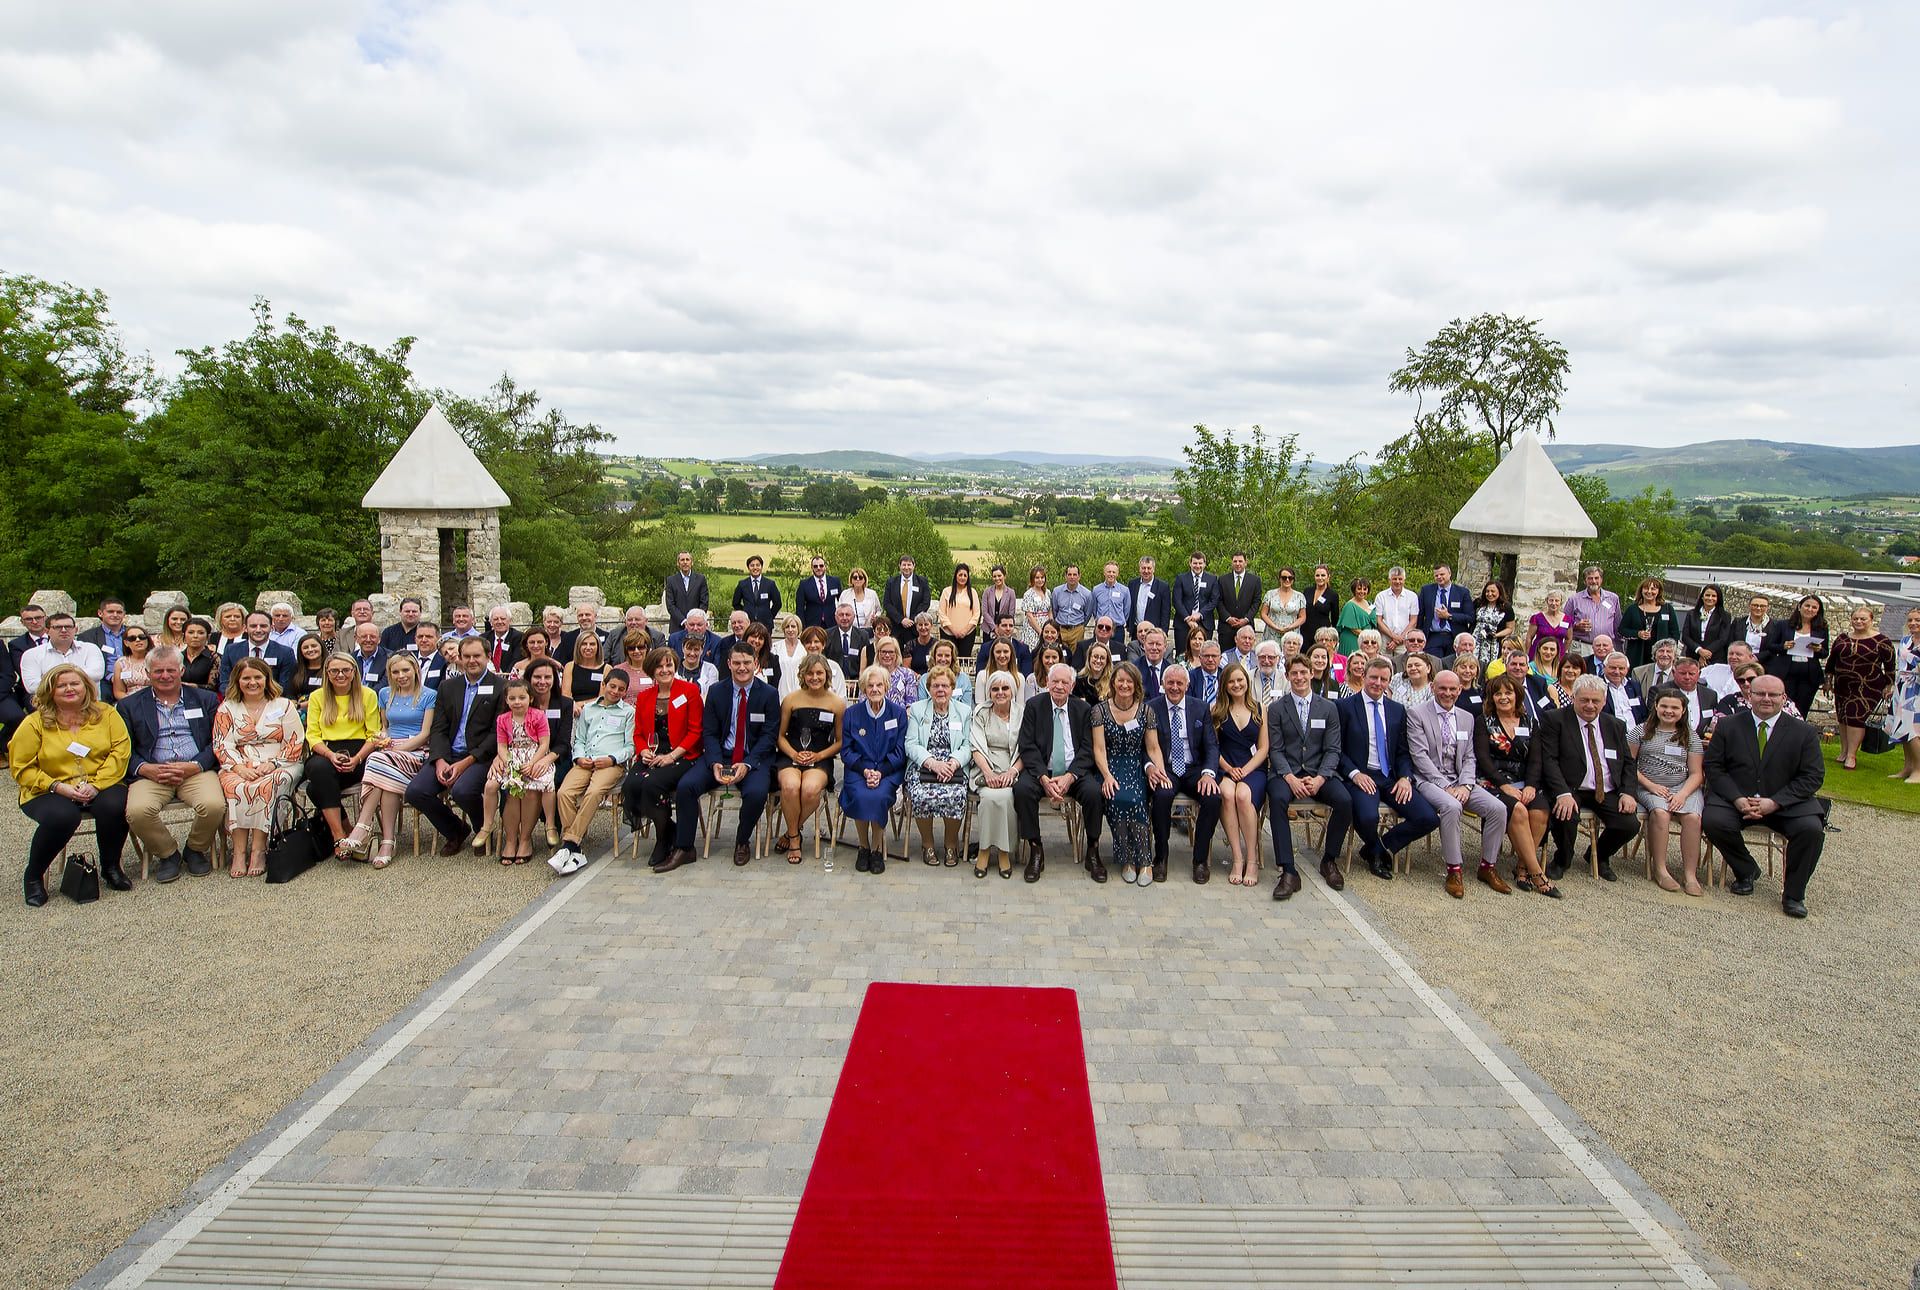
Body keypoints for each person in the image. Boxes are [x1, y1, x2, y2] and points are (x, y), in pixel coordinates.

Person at [1703, 673, 1826, 918]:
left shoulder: (1804, 732)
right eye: (1760, 693)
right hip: (1737, 799)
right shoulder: (1728, 726)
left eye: (1773, 695)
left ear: (1784, 698)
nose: (1766, 699)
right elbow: (1714, 767)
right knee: (1712, 821)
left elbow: (1812, 776)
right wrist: (1737, 798)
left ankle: (1793, 894)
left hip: (1784, 803)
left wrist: (1775, 802)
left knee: (1811, 830)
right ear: (1750, 696)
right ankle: (1746, 870)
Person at [11, 664, 133, 906]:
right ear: (50, 690)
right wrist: (57, 786)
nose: (69, 689)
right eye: (62, 685)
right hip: (47, 789)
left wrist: (97, 785)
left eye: (74, 683)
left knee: (114, 806)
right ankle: (34, 875)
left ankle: (110, 867)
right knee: (63, 817)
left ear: (86, 687)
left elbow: (120, 750)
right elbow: (22, 766)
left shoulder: (106, 714)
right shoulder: (34, 723)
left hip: (100, 782)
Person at [666, 645, 781, 871]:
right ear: (728, 664)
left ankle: (741, 841)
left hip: (753, 758)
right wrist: (715, 762)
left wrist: (747, 764)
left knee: (757, 793)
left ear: (755, 663)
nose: (741, 667)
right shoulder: (717, 691)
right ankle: (685, 846)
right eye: (736, 662)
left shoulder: (769, 694)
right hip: (721, 756)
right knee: (687, 786)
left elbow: (769, 736)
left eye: (747, 662)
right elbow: (708, 732)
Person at [116, 646, 224, 883]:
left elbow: (217, 741)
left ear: (181, 671)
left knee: (214, 805)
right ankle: (168, 853)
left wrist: (196, 765)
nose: (165, 676)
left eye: (170, 670)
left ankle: (195, 849)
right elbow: (123, 748)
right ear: (147, 673)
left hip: (195, 769)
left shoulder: (205, 700)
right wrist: (145, 769)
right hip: (152, 771)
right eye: (158, 671)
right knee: (137, 812)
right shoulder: (129, 706)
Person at [1406, 669, 1510, 899]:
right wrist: (1446, 787)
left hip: (1460, 781)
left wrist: (1466, 785)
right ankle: (1454, 870)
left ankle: (1487, 866)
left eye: (1453, 689)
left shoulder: (1466, 717)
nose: (1448, 693)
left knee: (1498, 809)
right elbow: (1420, 757)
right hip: (1429, 780)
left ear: (1460, 690)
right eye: (1442, 688)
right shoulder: (1417, 714)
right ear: (1433, 687)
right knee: (1451, 807)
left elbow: (1470, 756)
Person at [1335, 657, 1441, 879]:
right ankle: (1376, 855)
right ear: (1364, 677)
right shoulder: (1344, 708)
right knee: (1366, 818)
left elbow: (1403, 751)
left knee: (1428, 817)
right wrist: (1355, 774)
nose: (1378, 683)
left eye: (1383, 679)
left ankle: (1377, 849)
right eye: (1373, 677)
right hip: (1362, 776)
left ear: (1388, 682)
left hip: (1390, 777)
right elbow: (1337, 750)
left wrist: (1405, 777)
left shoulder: (1397, 710)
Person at [405, 636, 503, 855]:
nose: (471, 661)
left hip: (480, 756)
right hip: (448, 755)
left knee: (463, 791)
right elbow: (438, 728)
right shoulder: (448, 687)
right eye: (466, 656)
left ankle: (483, 830)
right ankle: (456, 830)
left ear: (487, 657)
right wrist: (439, 760)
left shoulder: (500, 687)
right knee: (415, 792)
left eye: (477, 656)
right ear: (459, 658)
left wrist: (466, 763)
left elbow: (496, 734)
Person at [1537, 674, 1640, 883]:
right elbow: (1549, 760)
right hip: (1570, 787)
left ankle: (1599, 855)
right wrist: (1562, 793)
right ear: (1574, 697)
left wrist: (1628, 792)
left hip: (1606, 789)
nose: (1590, 706)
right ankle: (1562, 859)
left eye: (1596, 701)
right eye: (1584, 700)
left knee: (1629, 824)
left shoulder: (1615, 725)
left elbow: (1628, 763)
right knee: (1566, 816)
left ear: (1604, 701)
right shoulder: (1555, 719)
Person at [1263, 657, 1352, 896]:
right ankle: (1289, 870)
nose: (1299, 677)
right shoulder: (1277, 708)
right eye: (1294, 673)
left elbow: (1333, 749)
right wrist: (1290, 778)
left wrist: (1321, 778)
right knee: (1278, 800)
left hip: (1318, 772)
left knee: (1344, 801)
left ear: (1312, 673)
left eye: (1303, 672)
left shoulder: (1329, 708)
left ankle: (1329, 859)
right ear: (1288, 676)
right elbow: (1276, 749)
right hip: (1286, 773)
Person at [212, 656, 306, 879]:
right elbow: (221, 742)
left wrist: (272, 764)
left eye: (257, 677)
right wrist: (238, 767)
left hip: (282, 762)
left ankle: (258, 850)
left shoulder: (283, 705)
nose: (252, 682)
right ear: (237, 680)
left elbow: (295, 740)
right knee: (238, 787)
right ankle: (239, 852)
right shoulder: (227, 708)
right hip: (238, 763)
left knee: (266, 785)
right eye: (246, 678)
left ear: (266, 679)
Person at [1015, 663, 1105, 883]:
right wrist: (1043, 778)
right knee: (1022, 790)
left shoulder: (1083, 710)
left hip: (1073, 773)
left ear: (1072, 686)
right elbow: (1027, 746)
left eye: (1065, 682)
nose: (1059, 686)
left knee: (1094, 793)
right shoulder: (1034, 706)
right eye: (1055, 681)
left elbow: (1087, 748)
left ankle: (1092, 850)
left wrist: (1070, 776)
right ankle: (1036, 848)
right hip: (1042, 771)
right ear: (1047, 682)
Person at [349, 653, 437, 869]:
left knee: (377, 760)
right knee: (385, 779)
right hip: (389, 753)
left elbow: (425, 734)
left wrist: (398, 748)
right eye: (395, 672)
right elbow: (385, 726)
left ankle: (362, 825)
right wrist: (383, 738)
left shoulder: (429, 695)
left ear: (415, 670)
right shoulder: (385, 693)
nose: (401, 676)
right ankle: (387, 842)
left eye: (405, 670)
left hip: (415, 751)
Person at [1474, 673, 1557, 897]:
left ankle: (1522, 866)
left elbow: (1536, 759)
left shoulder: (1531, 722)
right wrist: (1504, 786)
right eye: (1498, 693)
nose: (1503, 697)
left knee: (1540, 810)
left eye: (1508, 692)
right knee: (1518, 810)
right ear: (1491, 697)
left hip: (1525, 781)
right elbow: (1483, 759)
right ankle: (1537, 873)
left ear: (1517, 695)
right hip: (1493, 782)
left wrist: (1530, 785)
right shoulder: (1483, 722)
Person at [546, 668, 634, 875]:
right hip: (585, 760)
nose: (615, 692)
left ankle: (569, 845)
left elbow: (630, 747)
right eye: (612, 686)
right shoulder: (589, 710)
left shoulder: (628, 712)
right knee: (564, 793)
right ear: (604, 685)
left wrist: (612, 759)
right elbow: (579, 739)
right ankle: (575, 848)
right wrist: (578, 757)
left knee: (593, 793)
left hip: (610, 763)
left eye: (621, 689)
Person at [623, 648, 702, 867]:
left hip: (683, 754)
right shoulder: (645, 696)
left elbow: (696, 732)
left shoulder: (689, 691)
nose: (665, 670)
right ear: (652, 670)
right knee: (631, 784)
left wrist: (671, 756)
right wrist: (643, 751)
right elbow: (638, 733)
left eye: (669, 665)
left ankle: (662, 839)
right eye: (660, 666)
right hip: (653, 753)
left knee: (652, 784)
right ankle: (669, 830)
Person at [1142, 663, 1219, 884]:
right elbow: (1143, 747)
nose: (1174, 687)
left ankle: (1200, 859)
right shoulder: (1151, 708)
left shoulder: (1200, 707)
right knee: (1162, 796)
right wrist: (1150, 768)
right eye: (1170, 683)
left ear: (1187, 685)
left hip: (1194, 769)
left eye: (1179, 683)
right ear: (1163, 684)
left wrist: (1208, 773)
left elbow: (1211, 745)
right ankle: (1161, 856)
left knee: (1213, 798)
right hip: (1165, 768)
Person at [304, 654, 386, 857]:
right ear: (327, 673)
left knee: (316, 789)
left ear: (353, 672)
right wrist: (331, 755)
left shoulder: (367, 695)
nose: (340, 675)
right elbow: (313, 736)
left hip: (360, 751)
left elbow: (374, 734)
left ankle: (347, 832)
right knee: (318, 769)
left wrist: (357, 758)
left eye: (345, 670)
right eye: (334, 671)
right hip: (327, 750)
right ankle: (339, 836)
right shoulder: (317, 697)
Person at [1628, 688, 1706, 894]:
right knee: (1661, 814)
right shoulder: (1640, 731)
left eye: (1674, 707)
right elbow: (1628, 764)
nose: (1668, 711)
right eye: (1664, 706)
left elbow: (1697, 773)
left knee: (1692, 818)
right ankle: (1661, 869)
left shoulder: (1691, 736)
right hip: (1649, 785)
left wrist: (1682, 795)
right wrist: (1650, 786)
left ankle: (1690, 874)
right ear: (1656, 706)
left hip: (1683, 787)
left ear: (1683, 710)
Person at [768, 651, 839, 866]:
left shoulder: (837, 704)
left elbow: (839, 742)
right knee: (790, 786)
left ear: (827, 675)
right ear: (803, 675)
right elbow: (779, 736)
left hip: (820, 758)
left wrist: (819, 755)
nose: (815, 677)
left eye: (819, 673)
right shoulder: (791, 700)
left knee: (809, 789)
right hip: (791, 754)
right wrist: (793, 754)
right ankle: (795, 839)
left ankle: (791, 832)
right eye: (810, 673)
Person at [1090, 661, 1157, 886]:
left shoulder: (1146, 711)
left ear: (1136, 684)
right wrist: (1107, 775)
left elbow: (1153, 748)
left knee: (1136, 799)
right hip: (1109, 766)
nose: (1124, 685)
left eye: (1129, 681)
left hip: (1135, 766)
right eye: (1120, 680)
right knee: (1116, 798)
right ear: (1113, 683)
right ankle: (1127, 858)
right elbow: (1098, 749)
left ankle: (1145, 859)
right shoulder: (1099, 710)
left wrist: (1160, 771)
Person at [840, 665, 908, 875]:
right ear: (863, 688)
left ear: (886, 687)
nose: (875, 689)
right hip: (858, 771)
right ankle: (863, 847)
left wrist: (881, 772)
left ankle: (877, 850)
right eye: (870, 686)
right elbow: (846, 751)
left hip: (888, 772)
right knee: (860, 795)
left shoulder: (897, 714)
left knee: (878, 796)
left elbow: (900, 750)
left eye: (879, 685)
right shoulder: (852, 714)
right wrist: (865, 770)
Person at [479, 677, 552, 866]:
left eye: (521, 697)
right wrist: (509, 762)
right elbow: (502, 746)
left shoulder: (538, 716)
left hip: (534, 755)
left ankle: (526, 839)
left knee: (530, 790)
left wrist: (533, 763)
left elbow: (544, 744)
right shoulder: (503, 719)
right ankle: (506, 837)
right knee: (503, 788)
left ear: (530, 698)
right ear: (506, 700)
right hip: (512, 757)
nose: (517, 702)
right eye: (512, 698)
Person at [904, 665, 971, 866]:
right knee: (921, 794)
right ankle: (928, 844)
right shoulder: (917, 709)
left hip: (953, 766)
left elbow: (968, 745)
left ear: (952, 688)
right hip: (924, 764)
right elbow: (911, 743)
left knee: (957, 794)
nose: (940, 690)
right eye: (935, 686)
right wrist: (932, 763)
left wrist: (953, 763)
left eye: (945, 686)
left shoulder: (964, 711)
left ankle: (951, 844)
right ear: (928, 688)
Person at [1209, 661, 1268, 888]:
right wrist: (1228, 768)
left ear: (1247, 681)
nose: (1236, 685)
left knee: (1243, 795)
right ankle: (1237, 857)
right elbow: (1213, 746)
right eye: (1231, 681)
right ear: (1225, 685)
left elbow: (1263, 748)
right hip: (1226, 767)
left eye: (1240, 680)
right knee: (1226, 792)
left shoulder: (1260, 709)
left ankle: (1251, 860)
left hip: (1252, 768)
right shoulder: (1217, 710)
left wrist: (1246, 769)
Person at [968, 669, 1024, 879]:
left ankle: (1003, 852)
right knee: (990, 798)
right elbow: (975, 746)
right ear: (989, 692)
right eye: (995, 689)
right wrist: (989, 773)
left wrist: (1012, 771)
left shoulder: (1022, 713)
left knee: (1007, 797)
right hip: (985, 767)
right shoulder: (981, 712)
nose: (1000, 692)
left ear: (1013, 691)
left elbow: (1026, 749)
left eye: (1005, 688)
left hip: (1012, 768)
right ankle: (984, 850)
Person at [1829, 604, 1896, 770]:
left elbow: (1889, 666)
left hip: (1868, 686)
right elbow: (1832, 660)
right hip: (1843, 684)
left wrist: (1889, 684)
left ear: (1871, 620)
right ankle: (1844, 751)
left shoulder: (1882, 641)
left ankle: (1852, 755)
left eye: (1863, 619)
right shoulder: (1843, 638)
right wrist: (1828, 679)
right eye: (1855, 618)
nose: (1858, 621)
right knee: (1843, 717)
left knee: (1855, 717)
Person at [1761, 593, 1830, 721]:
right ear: (1799, 607)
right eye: (1807, 606)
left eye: (1814, 607)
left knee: (1802, 709)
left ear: (1818, 611)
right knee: (1782, 706)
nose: (1810, 609)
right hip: (1786, 672)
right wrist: (1784, 646)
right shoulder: (1783, 625)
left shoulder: (1821, 628)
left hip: (1808, 675)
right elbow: (1770, 645)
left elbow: (1825, 653)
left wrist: (1819, 649)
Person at [523, 657, 569, 846]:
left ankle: (554, 827)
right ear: (529, 678)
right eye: (537, 677)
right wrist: (533, 761)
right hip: (527, 756)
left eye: (547, 677)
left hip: (557, 756)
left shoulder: (565, 704)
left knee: (556, 780)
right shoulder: (522, 703)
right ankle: (522, 834)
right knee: (519, 783)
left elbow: (564, 742)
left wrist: (546, 760)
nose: (542, 682)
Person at [21, 611, 107, 695]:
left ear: (76, 629)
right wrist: (77, 678)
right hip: (50, 707)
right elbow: (32, 686)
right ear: (47, 631)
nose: (64, 630)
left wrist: (52, 680)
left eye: (68, 626)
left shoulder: (90, 649)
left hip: (88, 705)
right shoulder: (31, 655)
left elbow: (97, 674)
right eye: (57, 627)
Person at [218, 611, 294, 693]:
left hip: (272, 700)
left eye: (263, 626)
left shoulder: (285, 653)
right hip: (238, 700)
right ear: (245, 628)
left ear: (272, 628)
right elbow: (225, 682)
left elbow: (285, 685)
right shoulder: (231, 650)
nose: (258, 630)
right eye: (253, 626)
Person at [1619, 578, 1681, 670]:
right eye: (1646, 588)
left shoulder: (1667, 609)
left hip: (1661, 655)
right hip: (1637, 655)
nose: (1649, 591)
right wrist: (1637, 634)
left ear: (1659, 591)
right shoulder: (1632, 609)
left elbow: (1675, 633)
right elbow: (1622, 630)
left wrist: (1668, 650)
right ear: (1641, 590)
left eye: (1653, 589)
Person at [1889, 606, 1920, 784]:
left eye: (1917, 620)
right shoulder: (1906, 640)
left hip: (1917, 689)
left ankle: (1918, 770)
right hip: (1903, 687)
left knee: (1914, 729)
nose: (1913, 623)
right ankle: (1908, 766)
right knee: (1901, 727)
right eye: (1910, 620)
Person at [1566, 566, 1622, 659]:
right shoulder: (1574, 599)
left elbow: (1617, 626)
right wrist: (1576, 626)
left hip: (1606, 648)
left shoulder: (1613, 598)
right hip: (1582, 647)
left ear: (1601, 579)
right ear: (1585, 581)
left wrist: (1619, 648)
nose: (1594, 581)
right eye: (1590, 578)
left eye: (1596, 578)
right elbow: (1564, 624)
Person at [1172, 552, 1218, 649]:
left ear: (1205, 564)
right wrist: (1187, 618)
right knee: (1182, 654)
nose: (1197, 566)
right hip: (1183, 624)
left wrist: (1200, 614)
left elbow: (1214, 601)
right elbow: (1177, 601)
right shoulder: (1181, 579)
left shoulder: (1212, 579)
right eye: (1195, 563)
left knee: (1204, 654)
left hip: (1205, 624)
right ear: (1190, 563)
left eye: (1200, 563)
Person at [1372, 567, 1419, 662]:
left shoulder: (1412, 596)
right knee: (1384, 666)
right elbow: (1379, 620)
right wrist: (1394, 637)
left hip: (1405, 640)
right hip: (1385, 640)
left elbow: (1413, 621)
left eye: (1400, 579)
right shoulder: (1381, 596)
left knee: (1403, 666)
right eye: (1394, 579)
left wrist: (1400, 639)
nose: (1397, 582)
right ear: (1389, 580)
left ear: (1404, 580)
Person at [77, 597, 130, 678]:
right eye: (110, 612)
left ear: (124, 614)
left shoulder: (134, 634)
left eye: (119, 612)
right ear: (100, 613)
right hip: (103, 680)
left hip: (131, 677)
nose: (115, 615)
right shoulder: (88, 637)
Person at [1417, 564, 1472, 642]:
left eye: (1442, 574)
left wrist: (1449, 616)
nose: (1439, 577)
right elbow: (1420, 614)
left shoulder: (1462, 592)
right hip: (1432, 636)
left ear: (1449, 574)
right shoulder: (1426, 590)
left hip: (1455, 637)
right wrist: (1420, 634)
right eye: (1436, 575)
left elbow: (1470, 617)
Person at [1047, 564, 1096, 650]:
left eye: (1074, 574)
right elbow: (1055, 610)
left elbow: (1087, 614)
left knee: (1076, 657)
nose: (1072, 577)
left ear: (1079, 576)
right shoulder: (1057, 591)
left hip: (1077, 630)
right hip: (1061, 629)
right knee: (1060, 654)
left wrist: (1080, 626)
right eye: (1069, 574)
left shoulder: (1087, 594)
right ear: (1065, 576)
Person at [1216, 552, 1263, 642]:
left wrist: (1246, 619)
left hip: (1246, 628)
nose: (1238, 564)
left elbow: (1256, 602)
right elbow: (1218, 601)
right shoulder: (1222, 580)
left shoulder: (1255, 580)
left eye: (1240, 561)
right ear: (1232, 563)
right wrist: (1228, 618)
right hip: (1226, 628)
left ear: (1246, 562)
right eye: (1235, 561)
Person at [1666, 659, 1719, 736]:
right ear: (1674, 673)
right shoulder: (1660, 691)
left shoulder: (1710, 695)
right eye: (1683, 673)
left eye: (1691, 674)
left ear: (1699, 674)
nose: (1687, 677)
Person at [937, 564, 981, 657]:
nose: (962, 577)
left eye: (965, 575)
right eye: (960, 575)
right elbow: (941, 613)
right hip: (948, 633)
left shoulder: (972, 592)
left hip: (967, 634)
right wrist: (953, 630)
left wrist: (965, 631)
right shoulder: (946, 591)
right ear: (955, 575)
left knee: (964, 661)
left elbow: (976, 614)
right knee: (948, 659)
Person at [1127, 556, 1173, 645]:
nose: (1146, 571)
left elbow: (1165, 612)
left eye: (1149, 568)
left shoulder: (1163, 587)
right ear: (1139, 569)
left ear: (1153, 569)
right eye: (1143, 568)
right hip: (1137, 631)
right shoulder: (1132, 584)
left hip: (1154, 632)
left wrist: (1163, 633)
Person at [562, 628, 609, 714]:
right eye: (584, 644)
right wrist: (573, 706)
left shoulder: (607, 669)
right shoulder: (570, 667)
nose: (588, 647)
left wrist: (581, 704)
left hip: (597, 712)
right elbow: (566, 695)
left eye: (592, 644)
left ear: (598, 647)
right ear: (578, 646)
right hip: (574, 711)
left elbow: (603, 697)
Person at [1717, 593, 1774, 664]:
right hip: (1738, 662)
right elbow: (1730, 642)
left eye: (1762, 606)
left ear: (1767, 608)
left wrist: (1756, 658)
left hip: (1762, 664)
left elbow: (1773, 648)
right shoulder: (1738, 622)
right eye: (1755, 605)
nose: (1758, 608)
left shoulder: (1774, 626)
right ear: (1749, 606)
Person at [883, 556, 931, 639]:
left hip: (915, 627)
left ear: (914, 566)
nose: (906, 567)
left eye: (909, 565)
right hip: (896, 627)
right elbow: (887, 604)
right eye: (904, 565)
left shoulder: (922, 582)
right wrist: (901, 620)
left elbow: (925, 603)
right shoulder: (891, 582)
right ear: (900, 566)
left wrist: (912, 620)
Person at [1682, 584, 1731, 666]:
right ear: (1702, 597)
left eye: (1714, 596)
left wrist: (1705, 654)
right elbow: (1685, 636)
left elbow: (1723, 639)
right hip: (1693, 656)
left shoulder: (1725, 616)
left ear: (1718, 598)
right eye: (1707, 595)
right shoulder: (1691, 614)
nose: (1710, 598)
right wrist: (1699, 650)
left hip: (1715, 658)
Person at [791, 554, 841, 633]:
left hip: (832, 624)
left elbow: (841, 602)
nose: (818, 568)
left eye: (821, 566)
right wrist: (802, 627)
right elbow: (799, 608)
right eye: (815, 566)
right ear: (812, 568)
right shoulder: (804, 584)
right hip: (812, 625)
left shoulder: (835, 581)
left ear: (825, 567)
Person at [1471, 580, 1515, 665]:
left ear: (1499, 592)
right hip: (1476, 640)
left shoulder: (1506, 607)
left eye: (1493, 591)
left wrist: (1496, 635)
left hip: (1494, 643)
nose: (1489, 594)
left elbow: (1510, 628)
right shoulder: (1478, 603)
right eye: (1487, 591)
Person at [664, 551, 710, 632]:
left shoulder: (701, 579)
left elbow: (704, 602)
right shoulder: (671, 580)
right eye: (682, 560)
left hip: (696, 628)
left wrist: (694, 621)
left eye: (687, 559)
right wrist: (684, 621)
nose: (685, 562)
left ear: (691, 562)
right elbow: (670, 605)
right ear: (678, 563)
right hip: (677, 627)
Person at [1259, 565, 1305, 644]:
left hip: (1291, 635)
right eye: (1284, 578)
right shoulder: (1270, 594)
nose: (1287, 580)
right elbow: (1263, 614)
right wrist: (1275, 627)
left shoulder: (1300, 596)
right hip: (1271, 633)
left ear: (1293, 580)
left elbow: (1302, 617)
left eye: (1290, 578)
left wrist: (1290, 627)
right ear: (1279, 579)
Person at [1089, 563, 1131, 649]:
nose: (1111, 574)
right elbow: (1094, 609)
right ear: (1104, 573)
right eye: (1109, 572)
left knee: (1117, 654)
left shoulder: (1124, 590)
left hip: (1118, 629)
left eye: (1113, 572)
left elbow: (1126, 610)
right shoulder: (1096, 590)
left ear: (1117, 573)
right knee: (1098, 651)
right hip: (1101, 628)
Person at [920, 639, 971, 705]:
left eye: (947, 655)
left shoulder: (964, 679)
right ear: (934, 657)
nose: (943, 659)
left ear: (952, 658)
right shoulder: (924, 679)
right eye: (940, 655)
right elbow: (922, 706)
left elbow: (966, 709)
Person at [1601, 651, 1645, 727]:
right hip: (1611, 733)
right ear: (1604, 668)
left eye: (1621, 668)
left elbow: (1643, 712)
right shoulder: (1598, 685)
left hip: (1636, 733)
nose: (1617, 672)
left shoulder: (1633, 685)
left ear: (1627, 670)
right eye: (1613, 668)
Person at [110, 624, 153, 699]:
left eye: (141, 637)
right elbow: (119, 692)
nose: (138, 640)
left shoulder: (157, 660)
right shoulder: (121, 663)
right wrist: (131, 704)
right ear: (126, 643)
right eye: (132, 638)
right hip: (129, 703)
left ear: (147, 639)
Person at [285, 632, 329, 704]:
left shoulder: (330, 667)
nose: (310, 649)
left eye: (314, 646)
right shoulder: (296, 668)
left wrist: (309, 703)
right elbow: (290, 693)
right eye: (305, 648)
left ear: (321, 647)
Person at [1527, 591, 1571, 663]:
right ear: (1547, 601)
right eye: (1551, 600)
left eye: (1557, 601)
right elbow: (1529, 637)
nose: (1554, 603)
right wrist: (1527, 654)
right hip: (1538, 653)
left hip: (1557, 655)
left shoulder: (1567, 620)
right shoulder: (1537, 618)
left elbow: (1568, 639)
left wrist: (1562, 651)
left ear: (1561, 602)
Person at [980, 564, 1020, 642]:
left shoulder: (1011, 593)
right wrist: (994, 628)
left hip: (1004, 631)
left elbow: (1011, 613)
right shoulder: (987, 592)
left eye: (999, 576)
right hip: (988, 629)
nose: (997, 578)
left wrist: (1002, 628)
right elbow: (985, 612)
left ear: (1004, 576)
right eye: (994, 576)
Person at [1337, 577, 1375, 657]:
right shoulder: (1349, 605)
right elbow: (1353, 628)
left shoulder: (1370, 604)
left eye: (1365, 589)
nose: (1362, 591)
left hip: (1366, 641)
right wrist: (1367, 636)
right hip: (1352, 639)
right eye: (1359, 589)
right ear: (1354, 589)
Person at [1016, 565, 1051, 650]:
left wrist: (1050, 626)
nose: (1040, 580)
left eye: (1042, 577)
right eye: (1037, 578)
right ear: (1033, 579)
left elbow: (1050, 611)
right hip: (1032, 628)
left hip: (1045, 626)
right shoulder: (1028, 594)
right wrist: (1040, 631)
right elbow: (1029, 616)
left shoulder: (1048, 592)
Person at [480, 607, 525, 674]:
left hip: (509, 677)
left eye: (503, 619)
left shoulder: (519, 637)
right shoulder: (483, 638)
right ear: (491, 622)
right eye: (495, 619)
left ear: (510, 621)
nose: (499, 622)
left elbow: (516, 660)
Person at [180, 617, 218, 690]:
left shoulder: (214, 658)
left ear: (208, 637)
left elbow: (214, 687)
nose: (195, 636)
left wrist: (193, 686)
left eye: (201, 633)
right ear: (184, 636)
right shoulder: (177, 657)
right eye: (191, 632)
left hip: (205, 698)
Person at [1247, 640, 1286, 708]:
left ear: (1278, 659)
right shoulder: (1248, 677)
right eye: (1262, 657)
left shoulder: (1286, 679)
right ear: (1257, 658)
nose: (1266, 661)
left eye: (1271, 657)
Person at [1074, 641, 1113, 707]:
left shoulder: (1112, 682)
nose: (1098, 661)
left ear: (1107, 661)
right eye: (1095, 657)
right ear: (1089, 658)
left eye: (1102, 658)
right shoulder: (1078, 681)